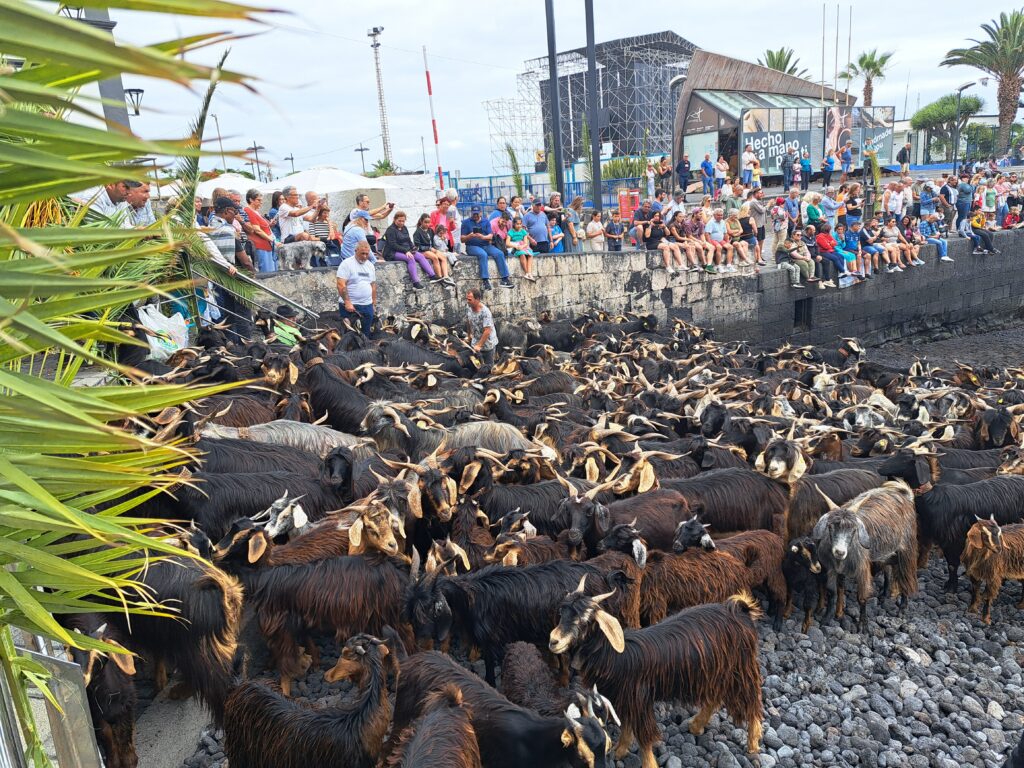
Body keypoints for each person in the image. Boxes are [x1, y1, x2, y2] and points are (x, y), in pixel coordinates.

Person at [206, 196, 254, 341]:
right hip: (236, 276)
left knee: (229, 312)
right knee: (243, 313)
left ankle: (231, 342)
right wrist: (252, 274)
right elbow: (244, 261)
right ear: (227, 211)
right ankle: (245, 343)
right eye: (234, 211)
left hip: (220, 278)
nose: (236, 215)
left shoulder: (209, 228)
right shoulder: (227, 230)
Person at [383, 210, 441, 291]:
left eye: (403, 221)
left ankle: (432, 276)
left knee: (420, 256)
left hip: (405, 250)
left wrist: (413, 247)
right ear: (394, 219)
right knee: (410, 258)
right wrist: (406, 251)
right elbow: (393, 244)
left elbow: (408, 240)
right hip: (392, 252)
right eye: (399, 221)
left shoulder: (404, 228)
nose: (401, 223)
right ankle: (415, 282)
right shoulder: (391, 230)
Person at [461, 205, 513, 291]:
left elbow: (490, 236)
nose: (475, 215)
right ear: (471, 213)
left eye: (477, 214)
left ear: (481, 213)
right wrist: (470, 236)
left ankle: (505, 278)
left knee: (499, 253)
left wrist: (482, 237)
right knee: (483, 255)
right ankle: (485, 281)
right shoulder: (466, 222)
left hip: (485, 245)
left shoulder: (486, 221)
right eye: (474, 214)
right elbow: (462, 239)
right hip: (472, 246)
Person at [337, 240, 377, 336]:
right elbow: (340, 284)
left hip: (367, 305)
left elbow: (373, 285)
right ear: (356, 251)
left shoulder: (370, 265)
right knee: (349, 335)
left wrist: (373, 303)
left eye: (367, 254)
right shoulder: (346, 264)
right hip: (351, 306)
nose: (365, 256)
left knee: (366, 335)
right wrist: (347, 302)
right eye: (362, 253)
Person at [413, 213, 453, 284]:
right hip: (422, 251)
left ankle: (446, 276)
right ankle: (440, 278)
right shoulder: (417, 232)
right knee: (435, 257)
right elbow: (418, 246)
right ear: (421, 221)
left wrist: (439, 247)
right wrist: (429, 248)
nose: (427, 224)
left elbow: (434, 241)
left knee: (443, 257)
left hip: (432, 249)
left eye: (428, 222)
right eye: (425, 222)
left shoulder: (430, 230)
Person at [642, 211, 685, 275]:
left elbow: (668, 233)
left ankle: (680, 265)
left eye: (658, 216)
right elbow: (647, 236)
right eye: (655, 216)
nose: (657, 217)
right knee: (666, 247)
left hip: (660, 241)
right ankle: (667, 266)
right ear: (652, 217)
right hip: (651, 243)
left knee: (675, 246)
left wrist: (664, 227)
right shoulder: (648, 225)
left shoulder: (660, 224)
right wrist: (650, 225)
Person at [244, 189, 275, 272]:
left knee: (271, 271)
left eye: (261, 200)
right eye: (258, 200)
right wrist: (271, 240)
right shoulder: (248, 211)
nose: (261, 202)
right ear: (251, 200)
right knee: (267, 272)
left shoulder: (255, 211)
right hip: (260, 246)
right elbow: (257, 230)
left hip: (266, 245)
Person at [466, 288, 498, 366]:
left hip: (487, 344)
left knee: (488, 367)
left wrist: (479, 345)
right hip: (475, 341)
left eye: (470, 299)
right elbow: (469, 321)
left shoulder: (485, 312)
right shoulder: (469, 308)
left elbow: (487, 330)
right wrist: (469, 336)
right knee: (477, 365)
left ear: (477, 299)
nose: (467, 301)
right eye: (467, 299)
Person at [507, 216, 538, 281]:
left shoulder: (523, 231)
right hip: (515, 247)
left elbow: (526, 243)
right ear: (514, 224)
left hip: (523, 246)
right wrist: (516, 246)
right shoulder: (511, 232)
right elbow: (507, 243)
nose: (519, 225)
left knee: (530, 255)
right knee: (522, 254)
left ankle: (529, 273)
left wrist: (522, 246)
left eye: (520, 224)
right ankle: (527, 273)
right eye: (517, 224)